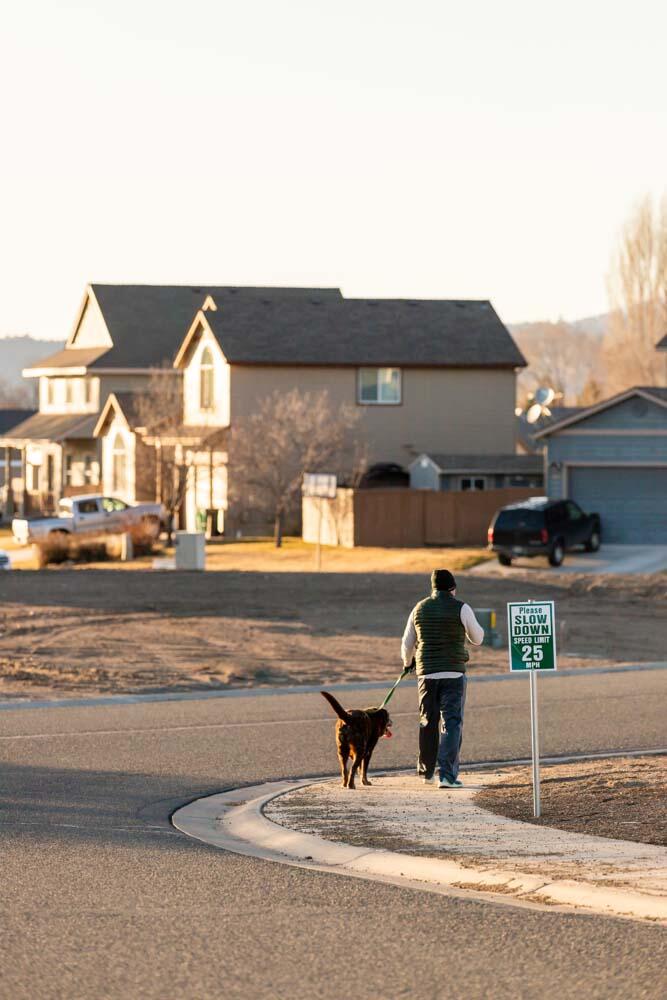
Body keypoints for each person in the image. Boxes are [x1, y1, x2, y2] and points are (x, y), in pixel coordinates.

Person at [401, 569, 484, 789]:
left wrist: (407, 663)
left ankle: (427, 772)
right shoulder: (461, 607)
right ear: (452, 588)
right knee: (451, 722)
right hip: (454, 674)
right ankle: (447, 775)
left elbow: (407, 643)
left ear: (433, 588)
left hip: (426, 674)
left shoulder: (419, 608)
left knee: (427, 721)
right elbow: (478, 638)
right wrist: (463, 630)